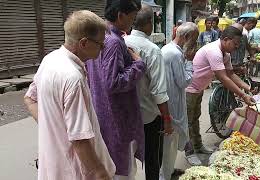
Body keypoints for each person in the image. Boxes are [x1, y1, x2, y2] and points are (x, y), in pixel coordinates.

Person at [23, 10, 116, 180]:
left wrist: (54, 127)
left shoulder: (49, 60)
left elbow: (30, 99)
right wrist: (101, 174)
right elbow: (79, 140)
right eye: (100, 44)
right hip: (73, 171)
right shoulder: (73, 78)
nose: (102, 49)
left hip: (52, 166)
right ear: (84, 43)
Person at [85, 1, 145, 179]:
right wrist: (139, 65)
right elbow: (112, 83)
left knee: (112, 165)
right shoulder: (113, 41)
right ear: (120, 16)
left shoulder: (100, 36)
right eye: (132, 17)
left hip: (103, 112)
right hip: (117, 117)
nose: (133, 22)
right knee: (121, 170)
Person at [185, 25, 256, 165]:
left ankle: (198, 146)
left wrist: (247, 87)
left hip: (199, 88)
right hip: (189, 89)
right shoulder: (214, 51)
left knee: (195, 118)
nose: (236, 47)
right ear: (225, 39)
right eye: (234, 44)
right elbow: (224, 78)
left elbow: (231, 74)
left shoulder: (226, 55)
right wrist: (243, 95)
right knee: (188, 121)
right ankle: (189, 152)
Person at [124, 4, 174, 180]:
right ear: (149, 24)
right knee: (153, 159)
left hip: (125, 114)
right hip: (149, 117)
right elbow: (159, 91)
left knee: (126, 160)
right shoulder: (152, 50)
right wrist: (167, 120)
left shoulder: (121, 43)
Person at [160, 22, 199, 180]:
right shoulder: (176, 54)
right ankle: (165, 176)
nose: (195, 44)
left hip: (171, 101)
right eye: (194, 39)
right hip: (172, 104)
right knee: (170, 144)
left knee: (170, 144)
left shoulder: (169, 49)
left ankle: (168, 171)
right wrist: (190, 61)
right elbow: (184, 81)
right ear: (187, 37)